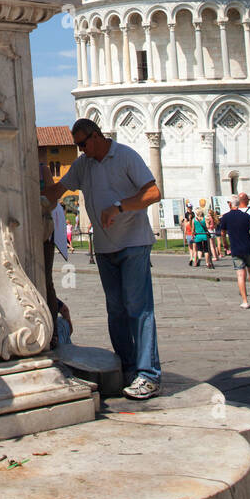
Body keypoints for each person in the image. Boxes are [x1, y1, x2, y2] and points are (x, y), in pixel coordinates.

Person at [66, 119, 162, 399]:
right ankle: (129, 369)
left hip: (134, 243)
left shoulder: (126, 156)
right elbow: (60, 189)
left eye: (83, 143)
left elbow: (153, 192)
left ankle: (149, 375)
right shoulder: (84, 164)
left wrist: (119, 207)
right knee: (116, 311)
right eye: (77, 146)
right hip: (106, 249)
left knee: (138, 309)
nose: (81, 150)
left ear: (96, 136)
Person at [39, 158, 74, 346]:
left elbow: (53, 200)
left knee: (45, 279)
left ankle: (52, 330)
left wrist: (40, 200)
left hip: (43, 230)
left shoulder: (42, 168)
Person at [220, 200, 250, 308]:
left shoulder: (226, 217)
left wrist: (225, 243)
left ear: (230, 205)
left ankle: (245, 301)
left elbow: (222, 233)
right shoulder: (246, 216)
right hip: (248, 248)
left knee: (240, 275)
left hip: (236, 249)